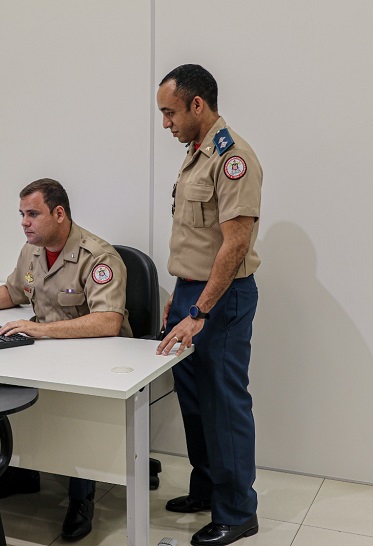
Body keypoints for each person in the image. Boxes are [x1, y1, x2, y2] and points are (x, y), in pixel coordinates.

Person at [0, 178, 132, 542]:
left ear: (59, 214)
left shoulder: (99, 257)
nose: (24, 223)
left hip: (96, 362)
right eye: (22, 215)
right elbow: (13, 291)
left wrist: (39, 330)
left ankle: (82, 497)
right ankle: (26, 471)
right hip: (48, 354)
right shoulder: (32, 250)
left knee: (76, 412)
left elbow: (109, 321)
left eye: (33, 214)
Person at [155, 64, 263, 546]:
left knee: (223, 403)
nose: (166, 123)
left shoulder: (231, 157)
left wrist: (198, 312)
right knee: (194, 403)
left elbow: (234, 245)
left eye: (170, 112)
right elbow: (193, 236)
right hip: (190, 295)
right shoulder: (194, 153)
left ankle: (238, 512)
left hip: (220, 300)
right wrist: (178, 300)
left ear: (198, 104)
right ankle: (206, 491)